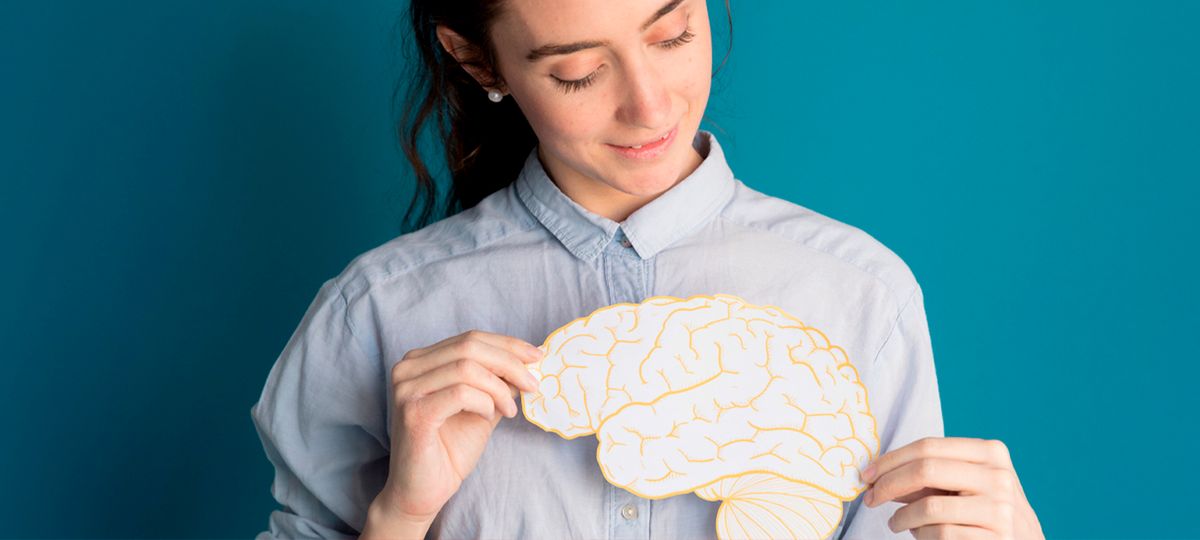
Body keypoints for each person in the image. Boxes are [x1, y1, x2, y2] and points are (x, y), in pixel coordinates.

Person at [250, 0, 1045, 538]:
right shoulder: (380, 313)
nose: (651, 108)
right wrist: (399, 516)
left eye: (671, 37)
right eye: (577, 72)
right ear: (478, 61)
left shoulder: (858, 292)